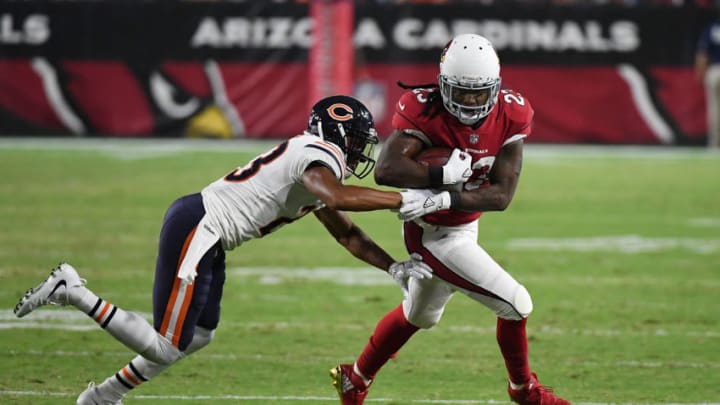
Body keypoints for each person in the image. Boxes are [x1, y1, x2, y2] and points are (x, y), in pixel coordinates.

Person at [13, 95, 458, 405]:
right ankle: (73, 290)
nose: (362, 148)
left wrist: (393, 267)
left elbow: (347, 233)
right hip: (199, 227)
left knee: (200, 336)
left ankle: (103, 396)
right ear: (338, 134)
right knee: (168, 346)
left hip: (209, 235)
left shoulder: (316, 167)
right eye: (358, 139)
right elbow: (339, 197)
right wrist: (405, 198)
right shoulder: (318, 156)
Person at [330, 34, 571, 405]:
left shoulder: (512, 112)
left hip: (462, 221)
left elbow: (501, 195)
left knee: (420, 314)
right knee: (516, 304)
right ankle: (524, 391)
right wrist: (439, 178)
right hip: (431, 234)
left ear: (495, 87)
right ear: (443, 85)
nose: (472, 101)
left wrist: (446, 195)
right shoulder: (423, 108)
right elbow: (387, 169)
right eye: (462, 92)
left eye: (479, 93)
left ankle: (355, 378)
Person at [696, 14, 720, 149]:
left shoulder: (713, 28)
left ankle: (715, 145)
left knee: (715, 110)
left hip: (715, 71)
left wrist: (700, 74)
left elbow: (702, 54)